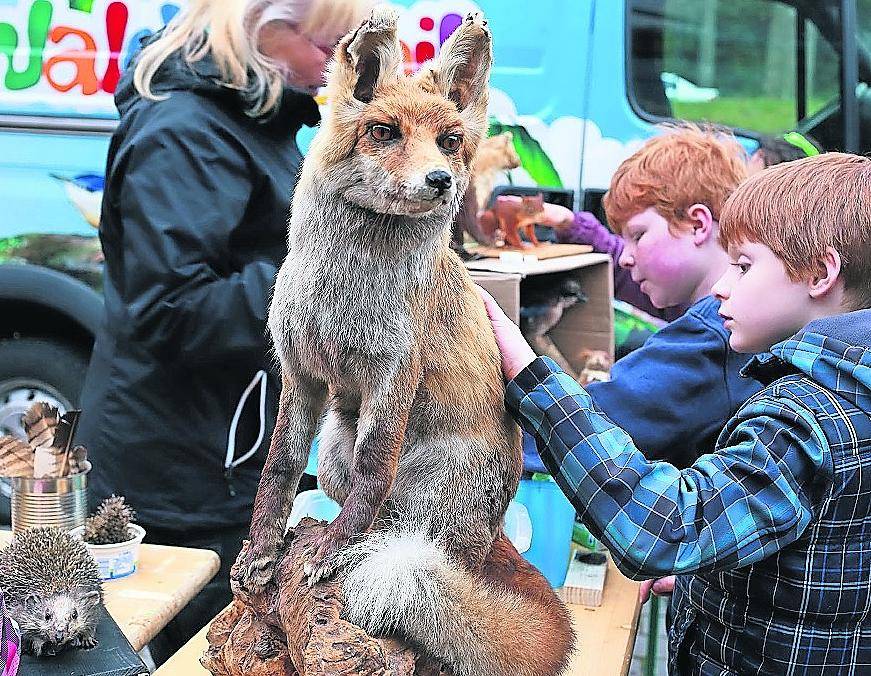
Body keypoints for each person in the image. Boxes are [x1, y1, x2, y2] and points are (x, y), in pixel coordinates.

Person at [481, 152, 871, 674]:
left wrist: (532, 378)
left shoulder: (803, 420)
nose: (721, 286)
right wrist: (712, 573)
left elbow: (665, 529)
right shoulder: (851, 386)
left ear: (821, 273)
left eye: (744, 266)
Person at [74, 0, 370, 663]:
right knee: (196, 650)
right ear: (266, 25)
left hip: (223, 456)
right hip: (177, 476)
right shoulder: (184, 133)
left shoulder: (250, 120)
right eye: (327, 47)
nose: (337, 67)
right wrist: (324, 275)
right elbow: (170, 308)